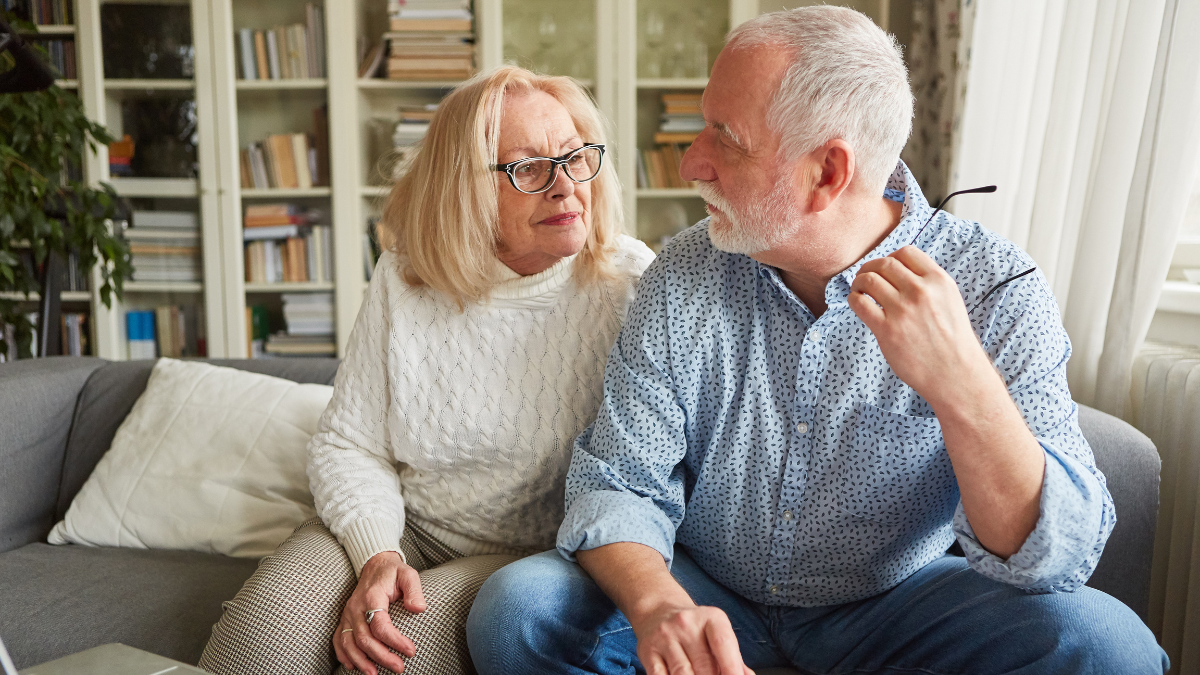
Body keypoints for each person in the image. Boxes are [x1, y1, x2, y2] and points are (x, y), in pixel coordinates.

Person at [466, 7, 1168, 675]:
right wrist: (659, 607)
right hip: (706, 584)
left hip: (900, 602)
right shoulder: (682, 274)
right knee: (519, 612)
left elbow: (1055, 557)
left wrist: (962, 384)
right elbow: (619, 483)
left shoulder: (994, 285)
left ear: (828, 172)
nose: (692, 164)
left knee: (1109, 647)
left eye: (724, 138)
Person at [197, 65, 653, 675]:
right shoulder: (405, 275)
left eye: (575, 157)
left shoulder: (631, 283)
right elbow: (350, 443)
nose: (565, 186)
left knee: (383, 660)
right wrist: (377, 554)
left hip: (533, 558)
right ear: (465, 188)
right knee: (259, 639)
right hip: (407, 526)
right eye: (527, 168)